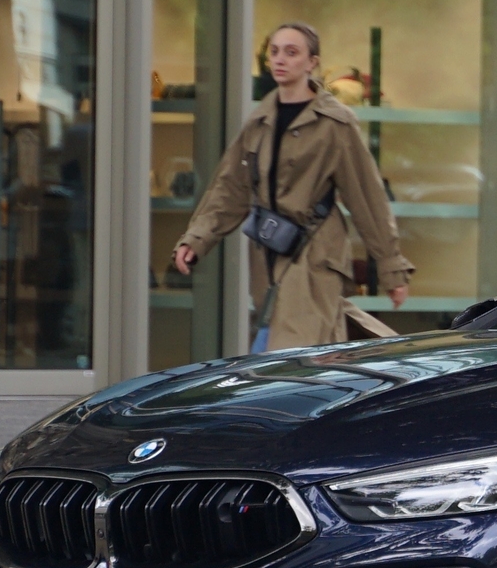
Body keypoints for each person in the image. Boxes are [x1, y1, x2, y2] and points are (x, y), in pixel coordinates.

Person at [173, 22, 411, 352]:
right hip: (268, 256)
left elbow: (367, 199)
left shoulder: (335, 123)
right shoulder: (259, 121)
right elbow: (230, 189)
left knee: (297, 357)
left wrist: (391, 270)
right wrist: (196, 239)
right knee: (288, 352)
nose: (280, 59)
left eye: (291, 52)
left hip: (316, 255)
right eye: (274, 52)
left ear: (312, 62)